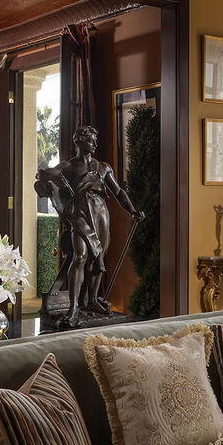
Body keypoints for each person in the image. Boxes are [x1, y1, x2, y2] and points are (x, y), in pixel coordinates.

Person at [35, 126, 144, 327]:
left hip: (101, 213)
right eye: (91, 140)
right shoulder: (68, 166)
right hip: (80, 213)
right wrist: (53, 176)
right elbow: (42, 174)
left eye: (95, 140)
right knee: (80, 257)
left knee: (97, 258)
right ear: (79, 142)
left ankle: (92, 300)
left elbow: (119, 192)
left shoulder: (103, 167)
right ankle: (74, 307)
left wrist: (133, 210)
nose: (95, 143)